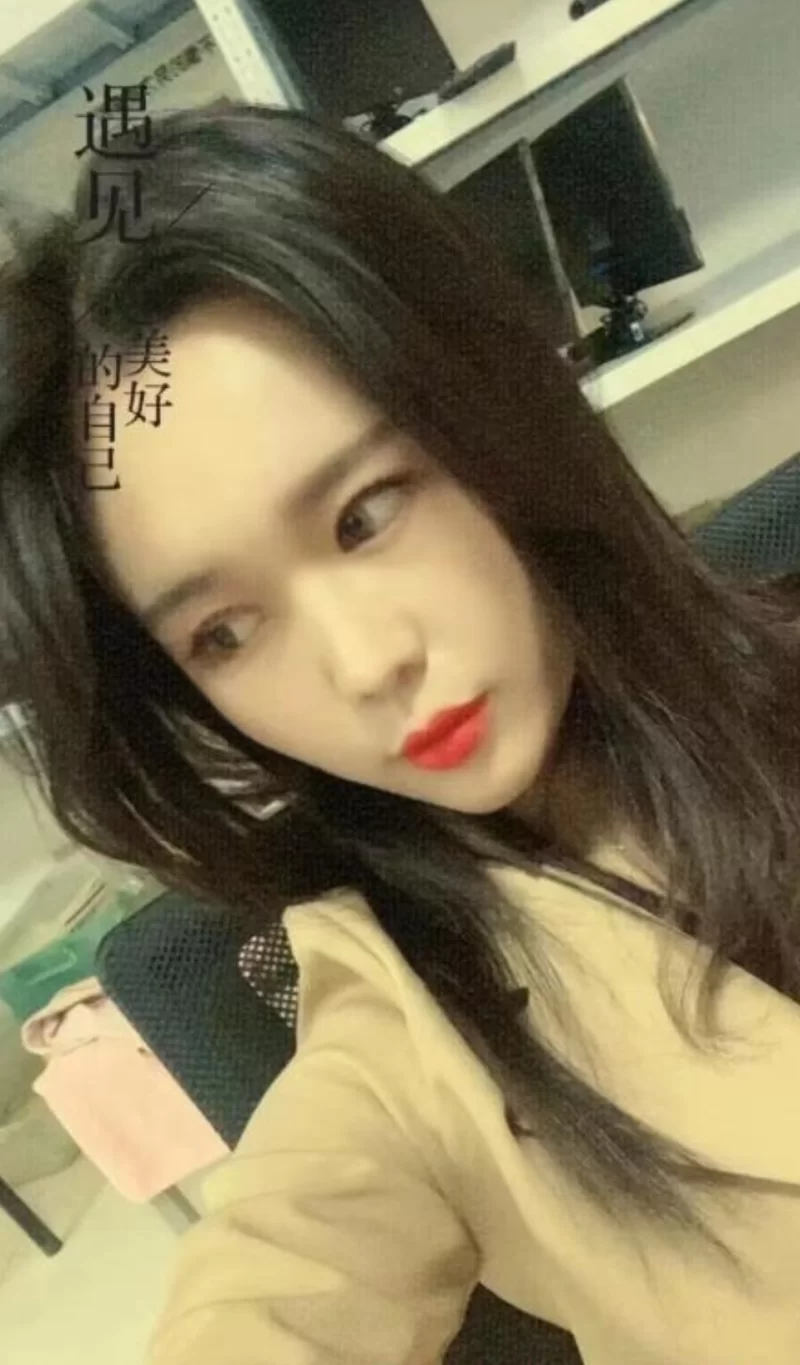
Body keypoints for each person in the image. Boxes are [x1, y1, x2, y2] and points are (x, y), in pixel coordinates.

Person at [1, 101, 799, 1365]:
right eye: (223, 632)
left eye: (365, 515)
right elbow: (287, 1275)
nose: (366, 664)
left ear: (486, 416)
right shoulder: (396, 1020)